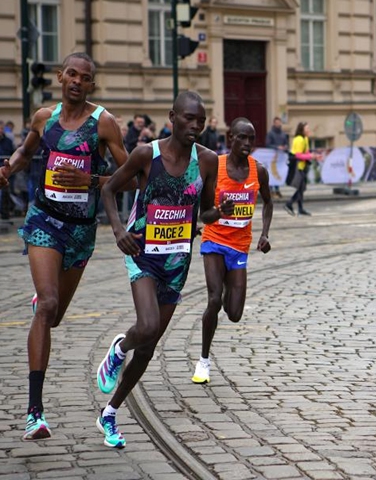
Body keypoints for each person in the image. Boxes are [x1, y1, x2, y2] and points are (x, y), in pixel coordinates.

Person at [0, 52, 129, 441]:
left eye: (85, 77)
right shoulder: (45, 118)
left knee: (52, 316)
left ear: (91, 84)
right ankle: (34, 413)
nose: (76, 80)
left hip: (80, 230)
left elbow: (132, 178)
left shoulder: (103, 124)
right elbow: (26, 151)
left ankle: (44, 301)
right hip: (43, 219)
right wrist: (8, 168)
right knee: (50, 304)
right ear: (60, 77)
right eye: (71, 73)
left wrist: (90, 179)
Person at [94, 91, 222, 448]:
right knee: (146, 326)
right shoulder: (146, 154)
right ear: (172, 117)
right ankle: (120, 346)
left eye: (201, 119)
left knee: (149, 348)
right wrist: (118, 230)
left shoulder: (208, 161)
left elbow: (205, 213)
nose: (196, 125)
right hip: (142, 253)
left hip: (177, 260)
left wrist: (219, 212)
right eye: (189, 118)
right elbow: (110, 190)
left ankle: (110, 412)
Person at [191, 117, 273, 384]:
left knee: (235, 314)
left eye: (252, 138)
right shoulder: (217, 166)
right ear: (231, 139)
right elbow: (204, 215)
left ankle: (227, 285)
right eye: (242, 138)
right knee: (214, 300)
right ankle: (203, 361)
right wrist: (219, 211)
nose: (248, 143)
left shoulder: (258, 170)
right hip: (214, 241)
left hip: (239, 248)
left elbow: (269, 203)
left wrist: (264, 234)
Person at [284, 122, 318, 216]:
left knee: (301, 188)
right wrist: (310, 156)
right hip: (297, 166)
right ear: (302, 130)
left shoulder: (305, 139)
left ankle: (300, 208)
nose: (308, 130)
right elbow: (298, 155)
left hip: (302, 166)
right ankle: (289, 204)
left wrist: (312, 156)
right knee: (300, 188)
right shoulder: (299, 139)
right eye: (307, 128)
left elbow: (306, 153)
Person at [265, 116, 289, 199]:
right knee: (272, 173)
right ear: (274, 123)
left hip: (280, 158)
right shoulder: (270, 133)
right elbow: (267, 144)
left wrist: (285, 147)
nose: (278, 124)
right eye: (277, 123)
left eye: (279, 122)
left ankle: (277, 189)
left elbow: (286, 143)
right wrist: (277, 147)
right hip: (272, 158)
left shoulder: (283, 134)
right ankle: (270, 190)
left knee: (279, 173)